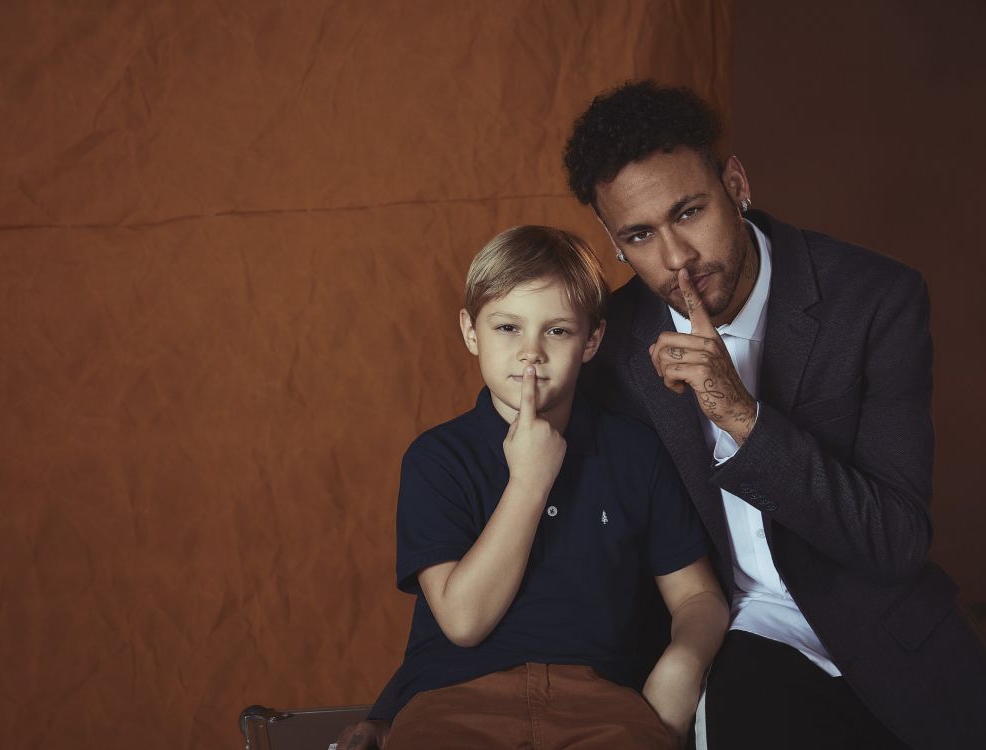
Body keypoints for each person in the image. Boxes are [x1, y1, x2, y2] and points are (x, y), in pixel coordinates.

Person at [339, 82, 986, 749]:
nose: (675, 257)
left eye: (689, 212)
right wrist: (396, 706)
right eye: (640, 235)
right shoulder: (603, 340)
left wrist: (740, 415)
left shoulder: (874, 298)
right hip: (732, 645)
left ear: (734, 183)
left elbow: (895, 542)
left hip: (880, 633)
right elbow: (523, 562)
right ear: (613, 242)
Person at [344, 225, 729, 750]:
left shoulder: (636, 452)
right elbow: (464, 621)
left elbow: (698, 596)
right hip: (453, 703)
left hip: (602, 703)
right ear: (471, 331)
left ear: (592, 339)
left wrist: (682, 665)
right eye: (507, 327)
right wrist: (529, 479)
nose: (531, 353)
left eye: (557, 331)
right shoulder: (437, 459)